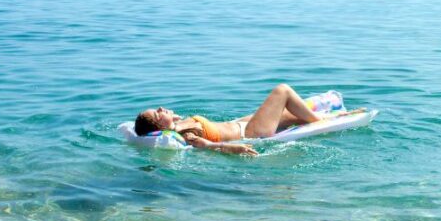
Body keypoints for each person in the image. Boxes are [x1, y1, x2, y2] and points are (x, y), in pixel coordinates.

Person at [134, 83, 328, 156]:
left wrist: (172, 118)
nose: (160, 108)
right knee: (282, 91)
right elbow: (205, 145)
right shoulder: (184, 134)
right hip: (250, 133)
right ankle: (321, 122)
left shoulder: (179, 124)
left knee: (294, 117)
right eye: (157, 113)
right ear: (160, 125)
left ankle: (324, 117)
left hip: (243, 124)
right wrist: (233, 148)